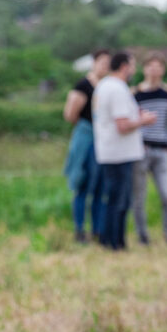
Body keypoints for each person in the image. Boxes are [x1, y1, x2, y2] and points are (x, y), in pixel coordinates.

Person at [91, 50, 155, 251]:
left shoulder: (104, 86)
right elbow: (122, 124)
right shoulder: (117, 88)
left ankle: (110, 239)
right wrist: (143, 121)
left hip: (110, 151)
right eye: (133, 65)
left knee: (113, 197)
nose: (134, 69)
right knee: (119, 200)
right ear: (125, 66)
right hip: (119, 153)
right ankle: (114, 242)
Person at [132, 54, 167, 246]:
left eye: (158, 66)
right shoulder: (135, 93)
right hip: (141, 149)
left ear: (163, 70)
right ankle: (142, 235)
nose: (154, 70)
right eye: (150, 66)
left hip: (161, 150)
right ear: (144, 69)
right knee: (139, 196)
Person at [62, 48, 111, 243]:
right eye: (102, 62)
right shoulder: (83, 85)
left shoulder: (108, 85)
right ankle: (79, 229)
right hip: (87, 138)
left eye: (108, 63)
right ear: (94, 63)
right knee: (84, 185)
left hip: (103, 140)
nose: (105, 66)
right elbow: (70, 114)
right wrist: (86, 129)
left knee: (100, 187)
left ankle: (97, 229)